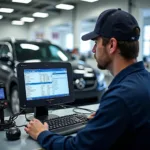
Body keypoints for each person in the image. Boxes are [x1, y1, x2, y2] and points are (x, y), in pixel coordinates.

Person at [25, 8, 150, 150]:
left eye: (96, 43)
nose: (93, 50)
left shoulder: (120, 96)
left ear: (112, 45)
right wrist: (107, 116)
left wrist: (42, 133)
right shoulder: (144, 81)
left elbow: (77, 147)